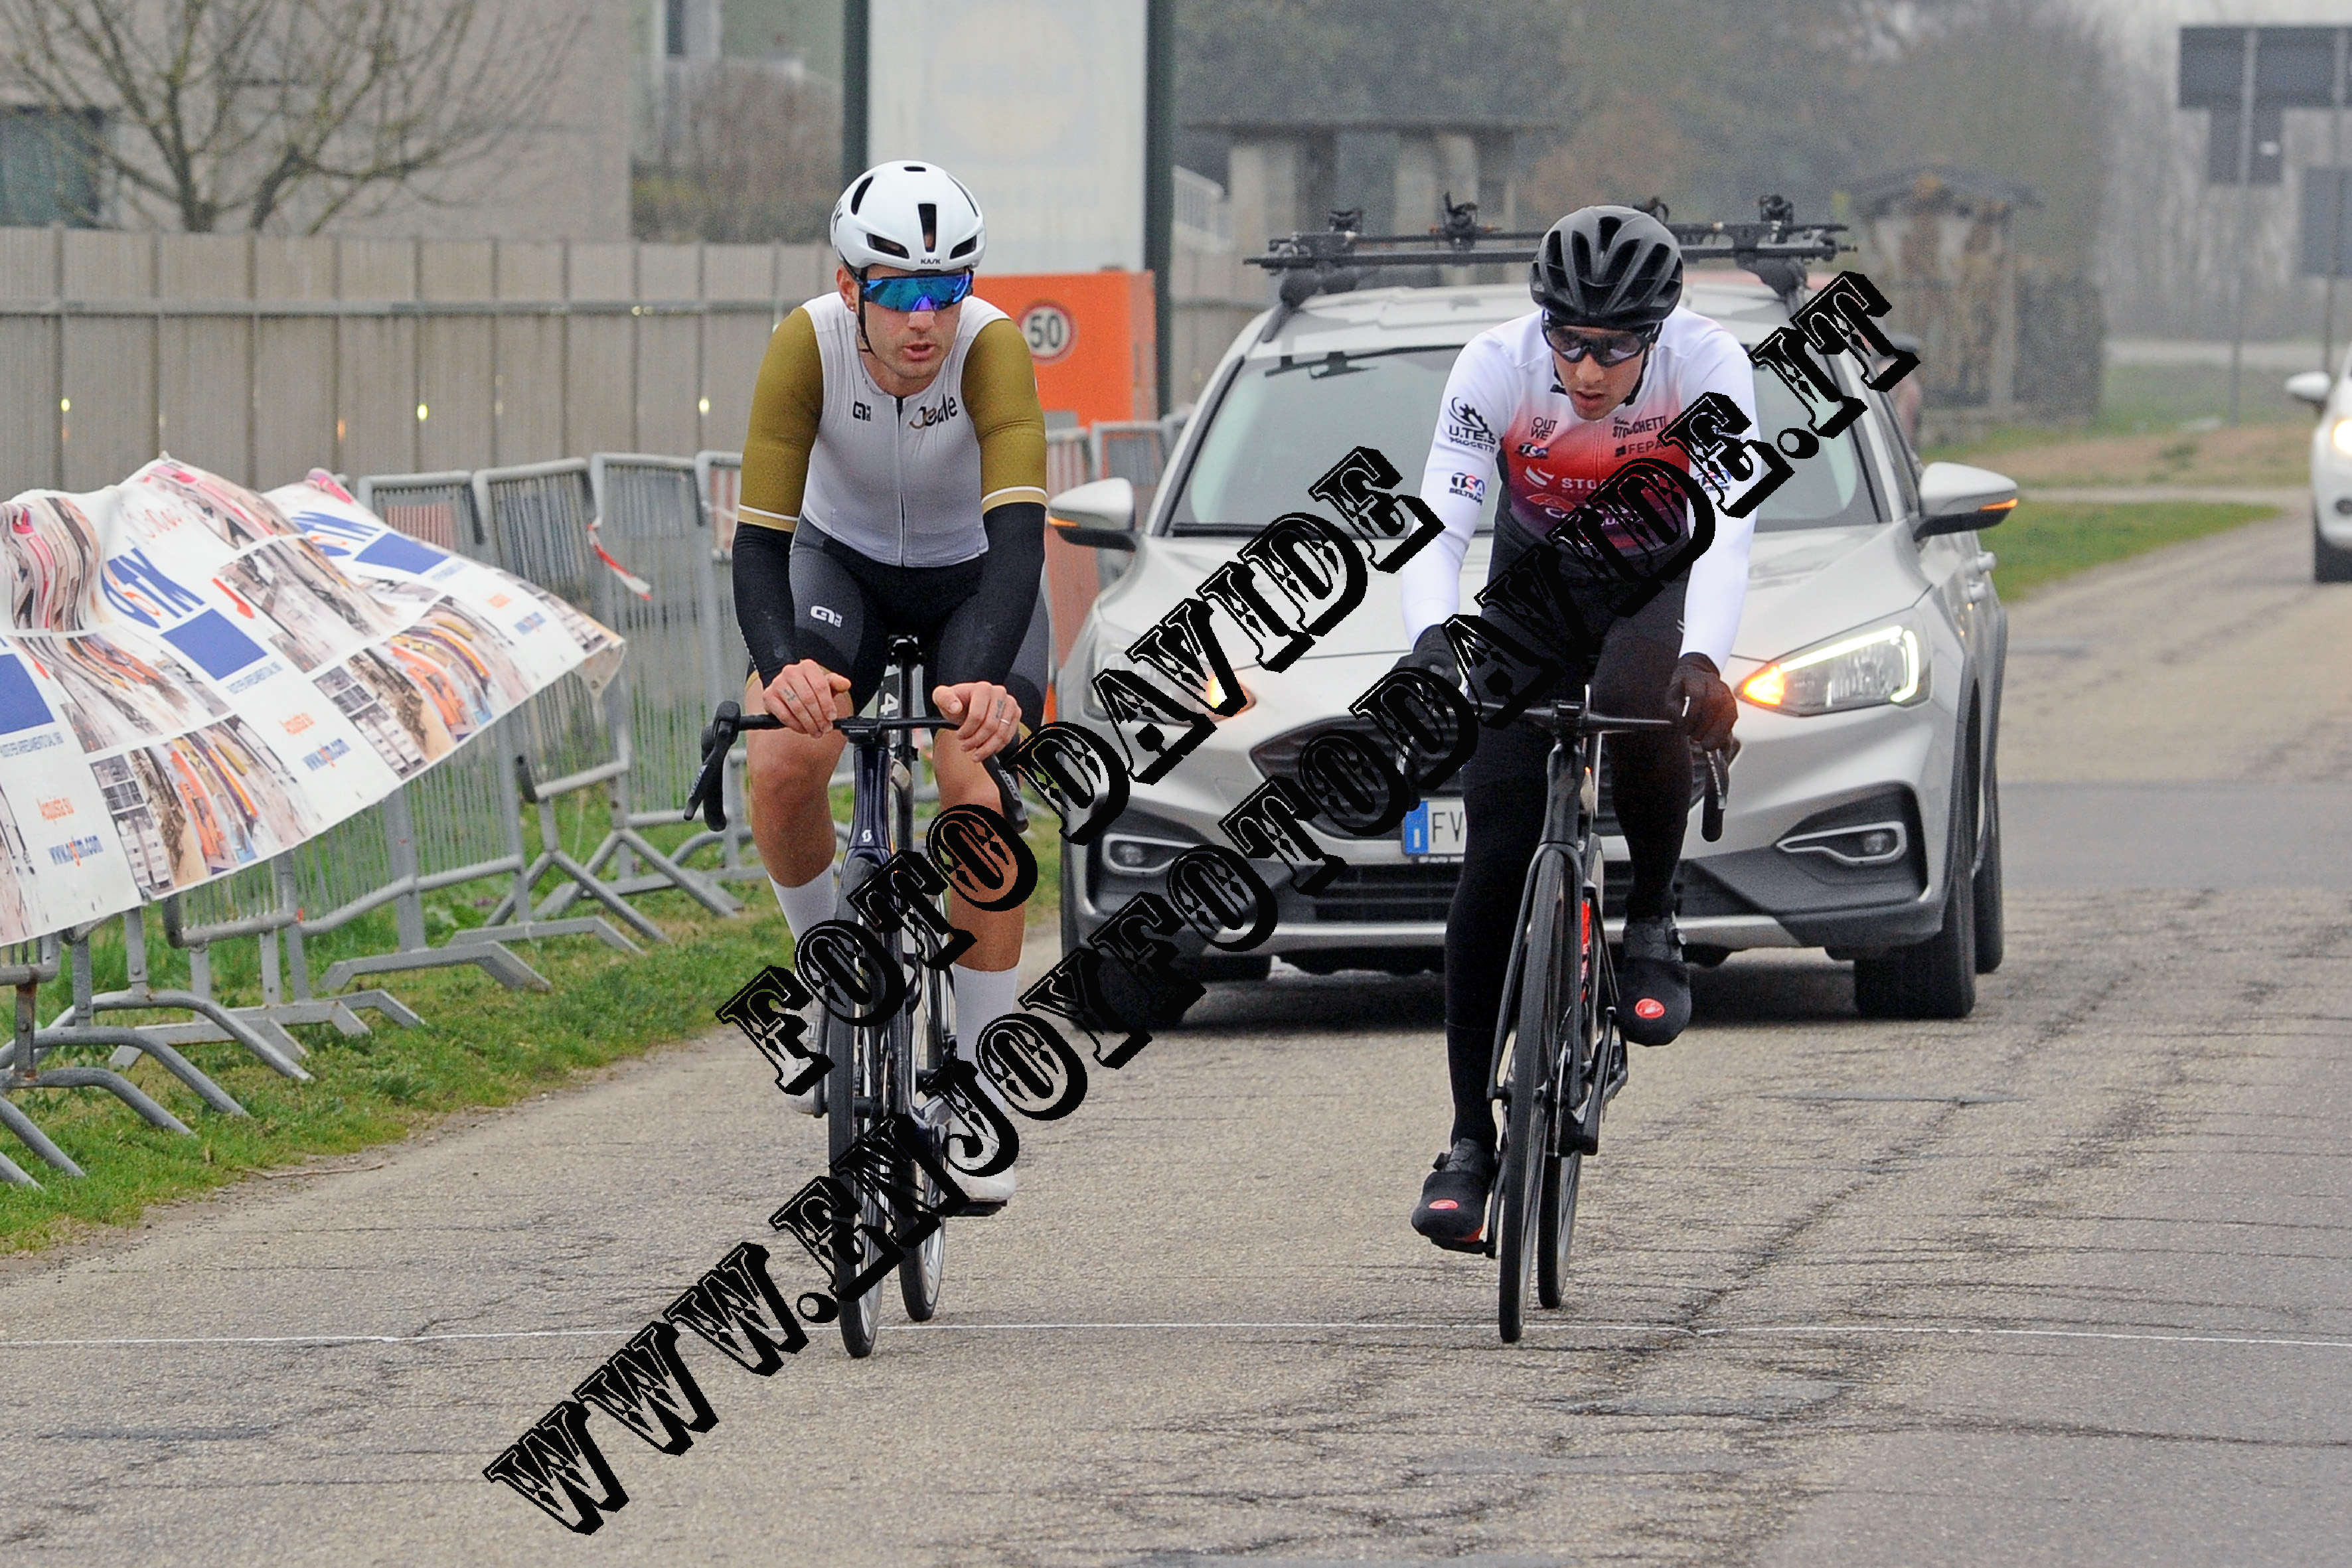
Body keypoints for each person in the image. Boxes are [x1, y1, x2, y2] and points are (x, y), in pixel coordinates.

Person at [1395, 205, 1755, 1249]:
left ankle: (1651, 917)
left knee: (1649, 701)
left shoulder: (1710, 368)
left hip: (1651, 571)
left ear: (1658, 333)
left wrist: (1706, 661)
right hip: (1537, 582)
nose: (1588, 370)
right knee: (1495, 855)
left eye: (1615, 347)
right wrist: (1430, 643)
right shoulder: (1495, 367)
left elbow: (1730, 530)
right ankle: (1468, 1144)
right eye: (1570, 341)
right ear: (1542, 322)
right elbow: (1442, 519)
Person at [734, 160, 1052, 1205]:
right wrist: (781, 667)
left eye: (948, 289)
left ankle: (979, 1077)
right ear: (849, 285)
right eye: (903, 291)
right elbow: (760, 545)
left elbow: (1019, 544)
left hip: (979, 585)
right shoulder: (807, 345)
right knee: (784, 753)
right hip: (845, 573)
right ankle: (827, 971)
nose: (927, 319)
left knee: (974, 785)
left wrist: (989, 686)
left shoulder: (992, 348)